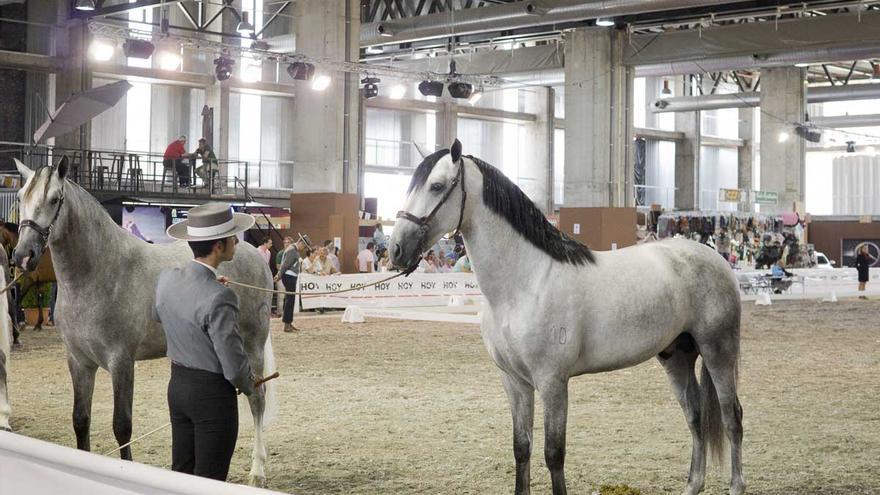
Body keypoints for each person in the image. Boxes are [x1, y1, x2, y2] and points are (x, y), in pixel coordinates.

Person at [152, 202, 261, 481]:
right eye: (232, 237)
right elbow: (235, 368)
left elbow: (158, 314)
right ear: (218, 247)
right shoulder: (219, 297)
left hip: (177, 387)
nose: (236, 240)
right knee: (210, 481)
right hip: (212, 397)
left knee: (182, 477)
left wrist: (208, 293)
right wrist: (250, 384)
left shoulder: (166, 279)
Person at [274, 236, 304, 333]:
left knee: (290, 300)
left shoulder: (292, 249)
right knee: (290, 300)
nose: (303, 248)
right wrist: (279, 275)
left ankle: (288, 323)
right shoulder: (292, 250)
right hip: (289, 276)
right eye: (304, 246)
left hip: (290, 276)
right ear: (301, 243)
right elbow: (285, 265)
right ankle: (287, 324)